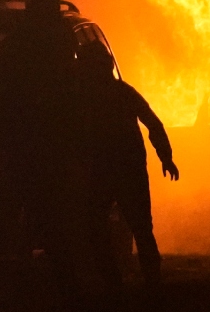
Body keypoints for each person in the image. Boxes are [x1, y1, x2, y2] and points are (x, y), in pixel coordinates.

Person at [0, 0, 81, 294]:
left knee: (19, 217)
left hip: (23, 147)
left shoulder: (13, 48)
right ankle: (68, 291)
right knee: (55, 220)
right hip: (51, 147)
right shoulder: (66, 44)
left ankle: (19, 283)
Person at [76, 40, 179, 298]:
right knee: (140, 227)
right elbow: (153, 124)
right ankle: (150, 287)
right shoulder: (121, 92)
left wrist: (166, 157)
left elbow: (153, 124)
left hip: (107, 171)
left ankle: (116, 284)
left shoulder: (82, 99)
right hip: (126, 169)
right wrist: (165, 158)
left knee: (99, 226)